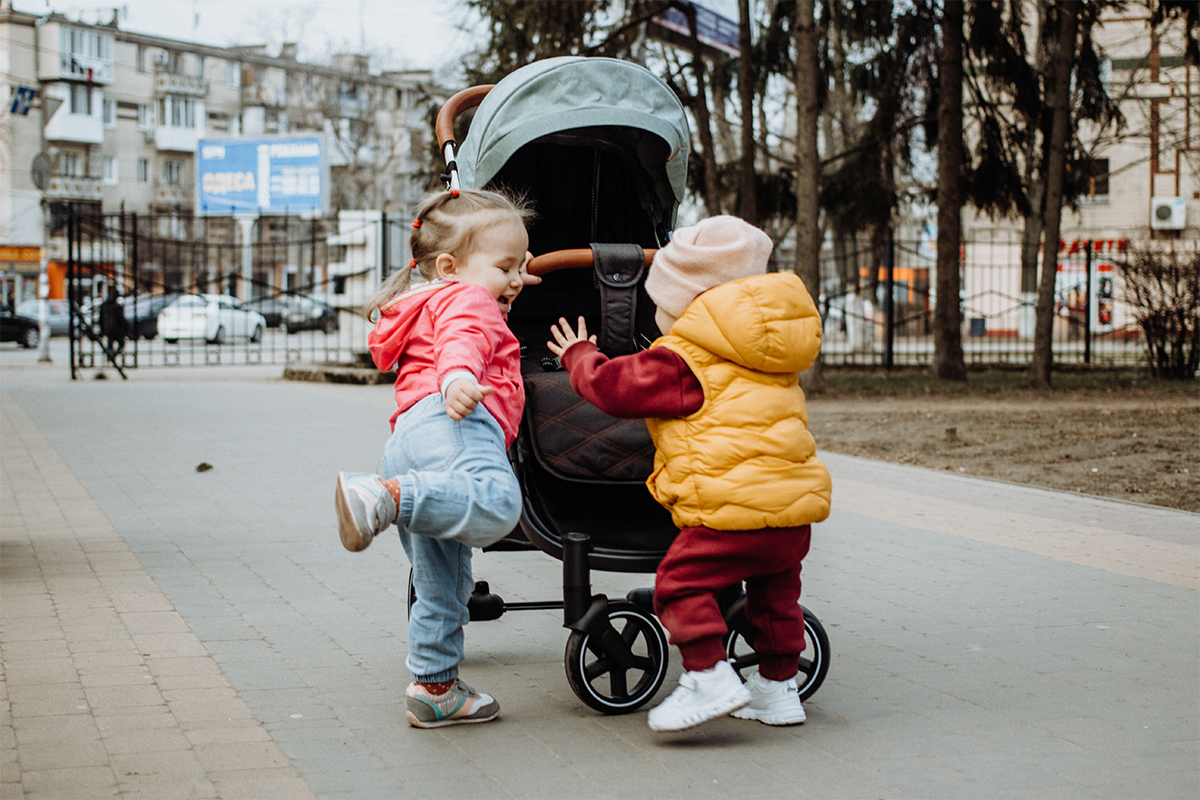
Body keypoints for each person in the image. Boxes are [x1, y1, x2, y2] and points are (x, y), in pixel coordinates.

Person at [547, 215, 832, 732]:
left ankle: (708, 675)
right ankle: (778, 689)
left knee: (678, 585)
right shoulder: (772, 354)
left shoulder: (685, 361)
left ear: (685, 301)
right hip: (792, 514)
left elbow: (614, 388)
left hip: (729, 514)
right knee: (775, 600)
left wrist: (580, 355)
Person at [334, 188, 536, 729]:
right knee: (497, 502)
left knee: (442, 581)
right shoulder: (469, 300)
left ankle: (434, 687)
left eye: (523, 266)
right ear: (449, 267)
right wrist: (458, 378)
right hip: (455, 425)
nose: (518, 279)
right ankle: (383, 496)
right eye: (506, 268)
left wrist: (504, 272)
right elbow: (462, 339)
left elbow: (460, 318)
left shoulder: (430, 297)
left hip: (407, 440)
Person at [98, 287, 127, 357]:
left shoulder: (104, 306)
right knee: (121, 343)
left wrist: (102, 329)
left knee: (110, 343)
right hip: (116, 329)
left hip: (108, 329)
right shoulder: (116, 306)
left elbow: (100, 319)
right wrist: (125, 329)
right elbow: (121, 319)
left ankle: (111, 355)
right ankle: (112, 355)